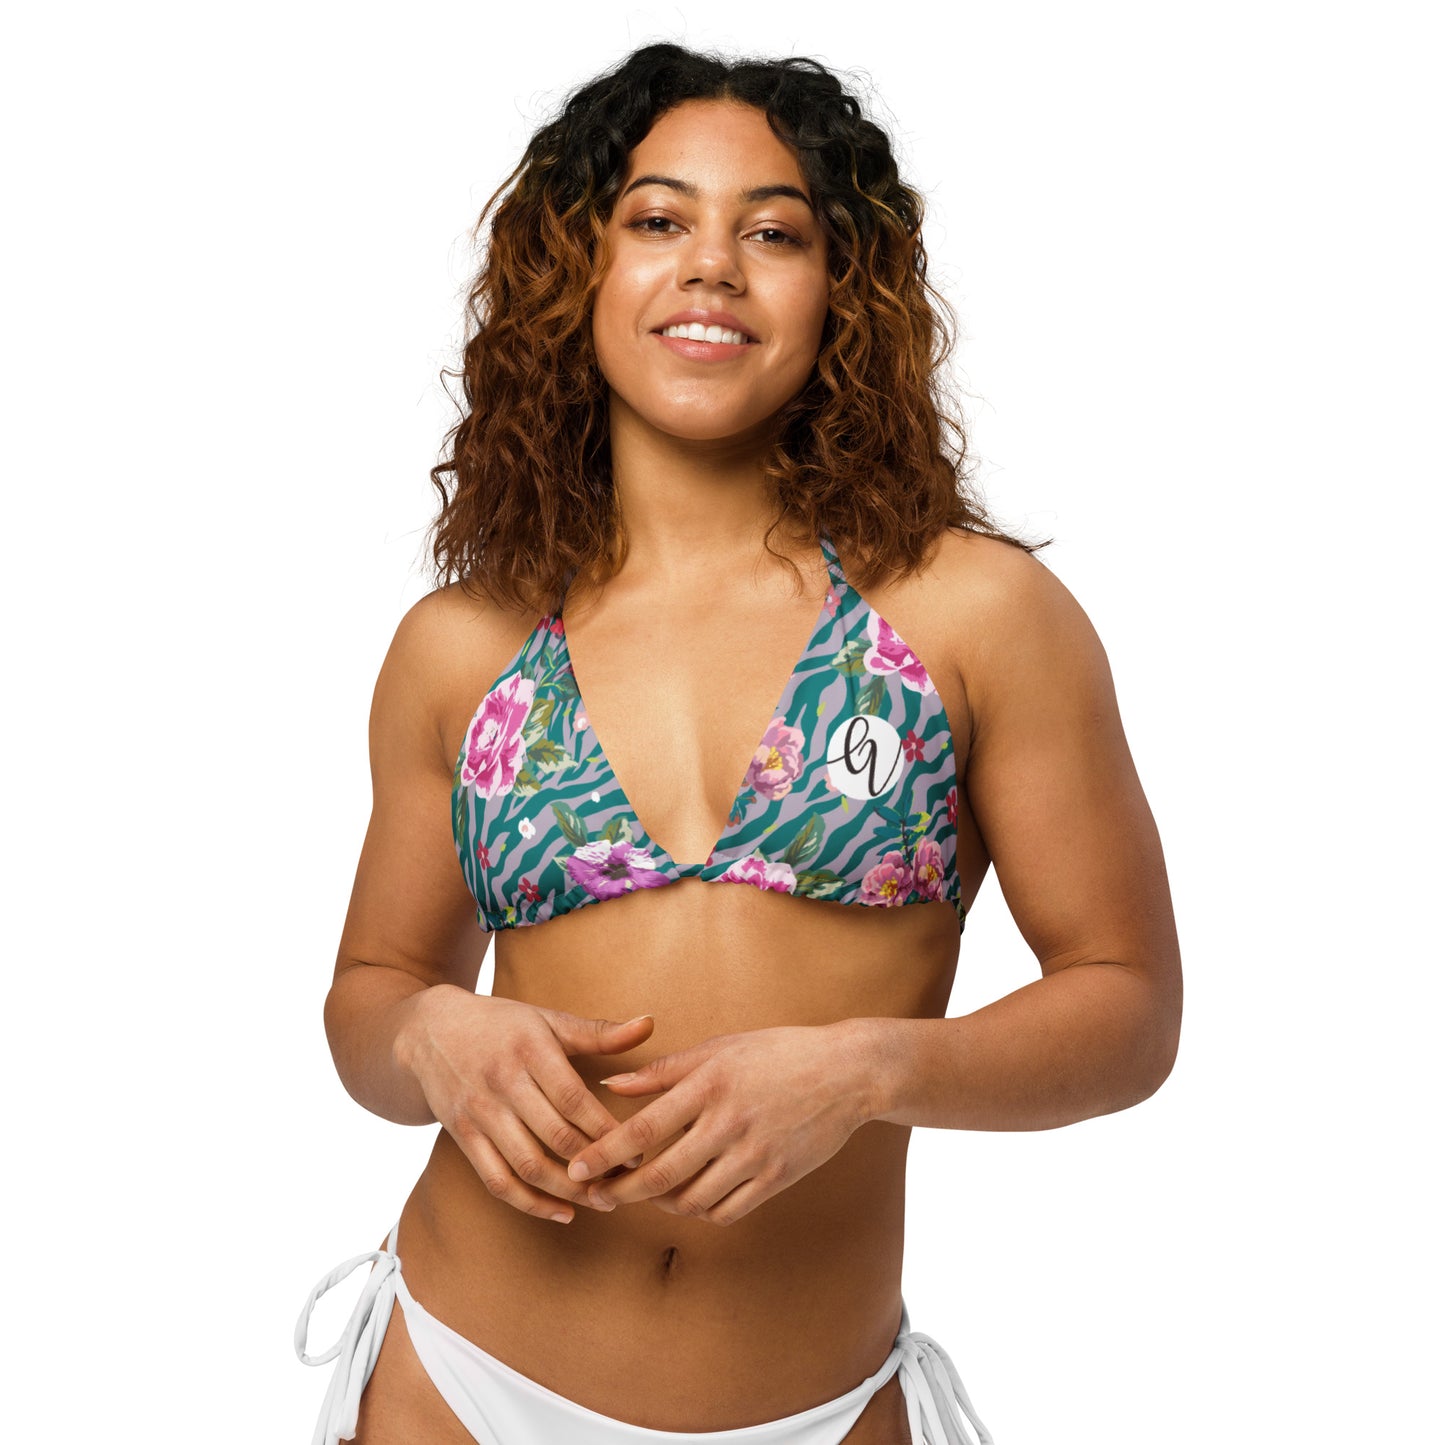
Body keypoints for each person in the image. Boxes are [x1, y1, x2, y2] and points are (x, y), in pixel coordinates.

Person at [295, 41, 1182, 1445]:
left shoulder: (973, 615)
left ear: (843, 291)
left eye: (772, 232)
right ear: (577, 274)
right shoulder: (464, 646)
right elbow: (370, 996)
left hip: (815, 1405)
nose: (710, 265)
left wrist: (869, 1069)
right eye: (657, 220)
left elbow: (1126, 1006)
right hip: (459, 1376)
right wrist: (430, 1031)